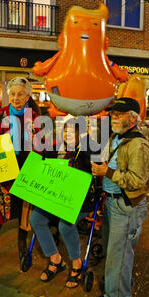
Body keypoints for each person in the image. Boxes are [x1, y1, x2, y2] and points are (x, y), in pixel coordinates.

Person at [91, 97, 149, 297]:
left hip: (125, 205)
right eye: (113, 114)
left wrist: (107, 172)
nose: (114, 118)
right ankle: (119, 284)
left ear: (133, 117)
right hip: (114, 203)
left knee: (119, 254)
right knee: (117, 251)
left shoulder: (137, 144)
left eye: (119, 114)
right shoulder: (119, 136)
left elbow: (139, 180)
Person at [0, 77, 40, 265]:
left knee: (23, 214)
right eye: (12, 94)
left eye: (20, 94)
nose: (15, 98)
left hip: (25, 171)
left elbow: (42, 143)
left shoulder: (34, 117)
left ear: (27, 97)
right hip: (3, 174)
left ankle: (21, 246)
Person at [30, 117, 100, 288]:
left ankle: (76, 263)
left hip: (80, 199)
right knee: (35, 219)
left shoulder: (86, 149)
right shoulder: (55, 148)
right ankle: (55, 258)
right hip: (56, 196)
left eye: (72, 132)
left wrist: (85, 139)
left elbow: (95, 167)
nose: (68, 135)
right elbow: (45, 167)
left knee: (65, 225)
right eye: (66, 131)